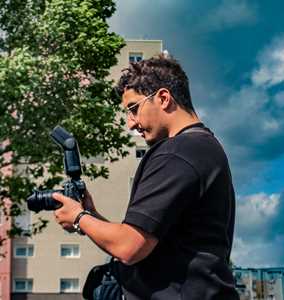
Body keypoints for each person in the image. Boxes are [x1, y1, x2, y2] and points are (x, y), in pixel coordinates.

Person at [53, 54, 239, 300]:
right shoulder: (203, 149)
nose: (130, 124)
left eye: (133, 109)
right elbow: (148, 241)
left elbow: (129, 248)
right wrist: (91, 215)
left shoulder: (178, 152)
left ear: (163, 98)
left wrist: (78, 217)